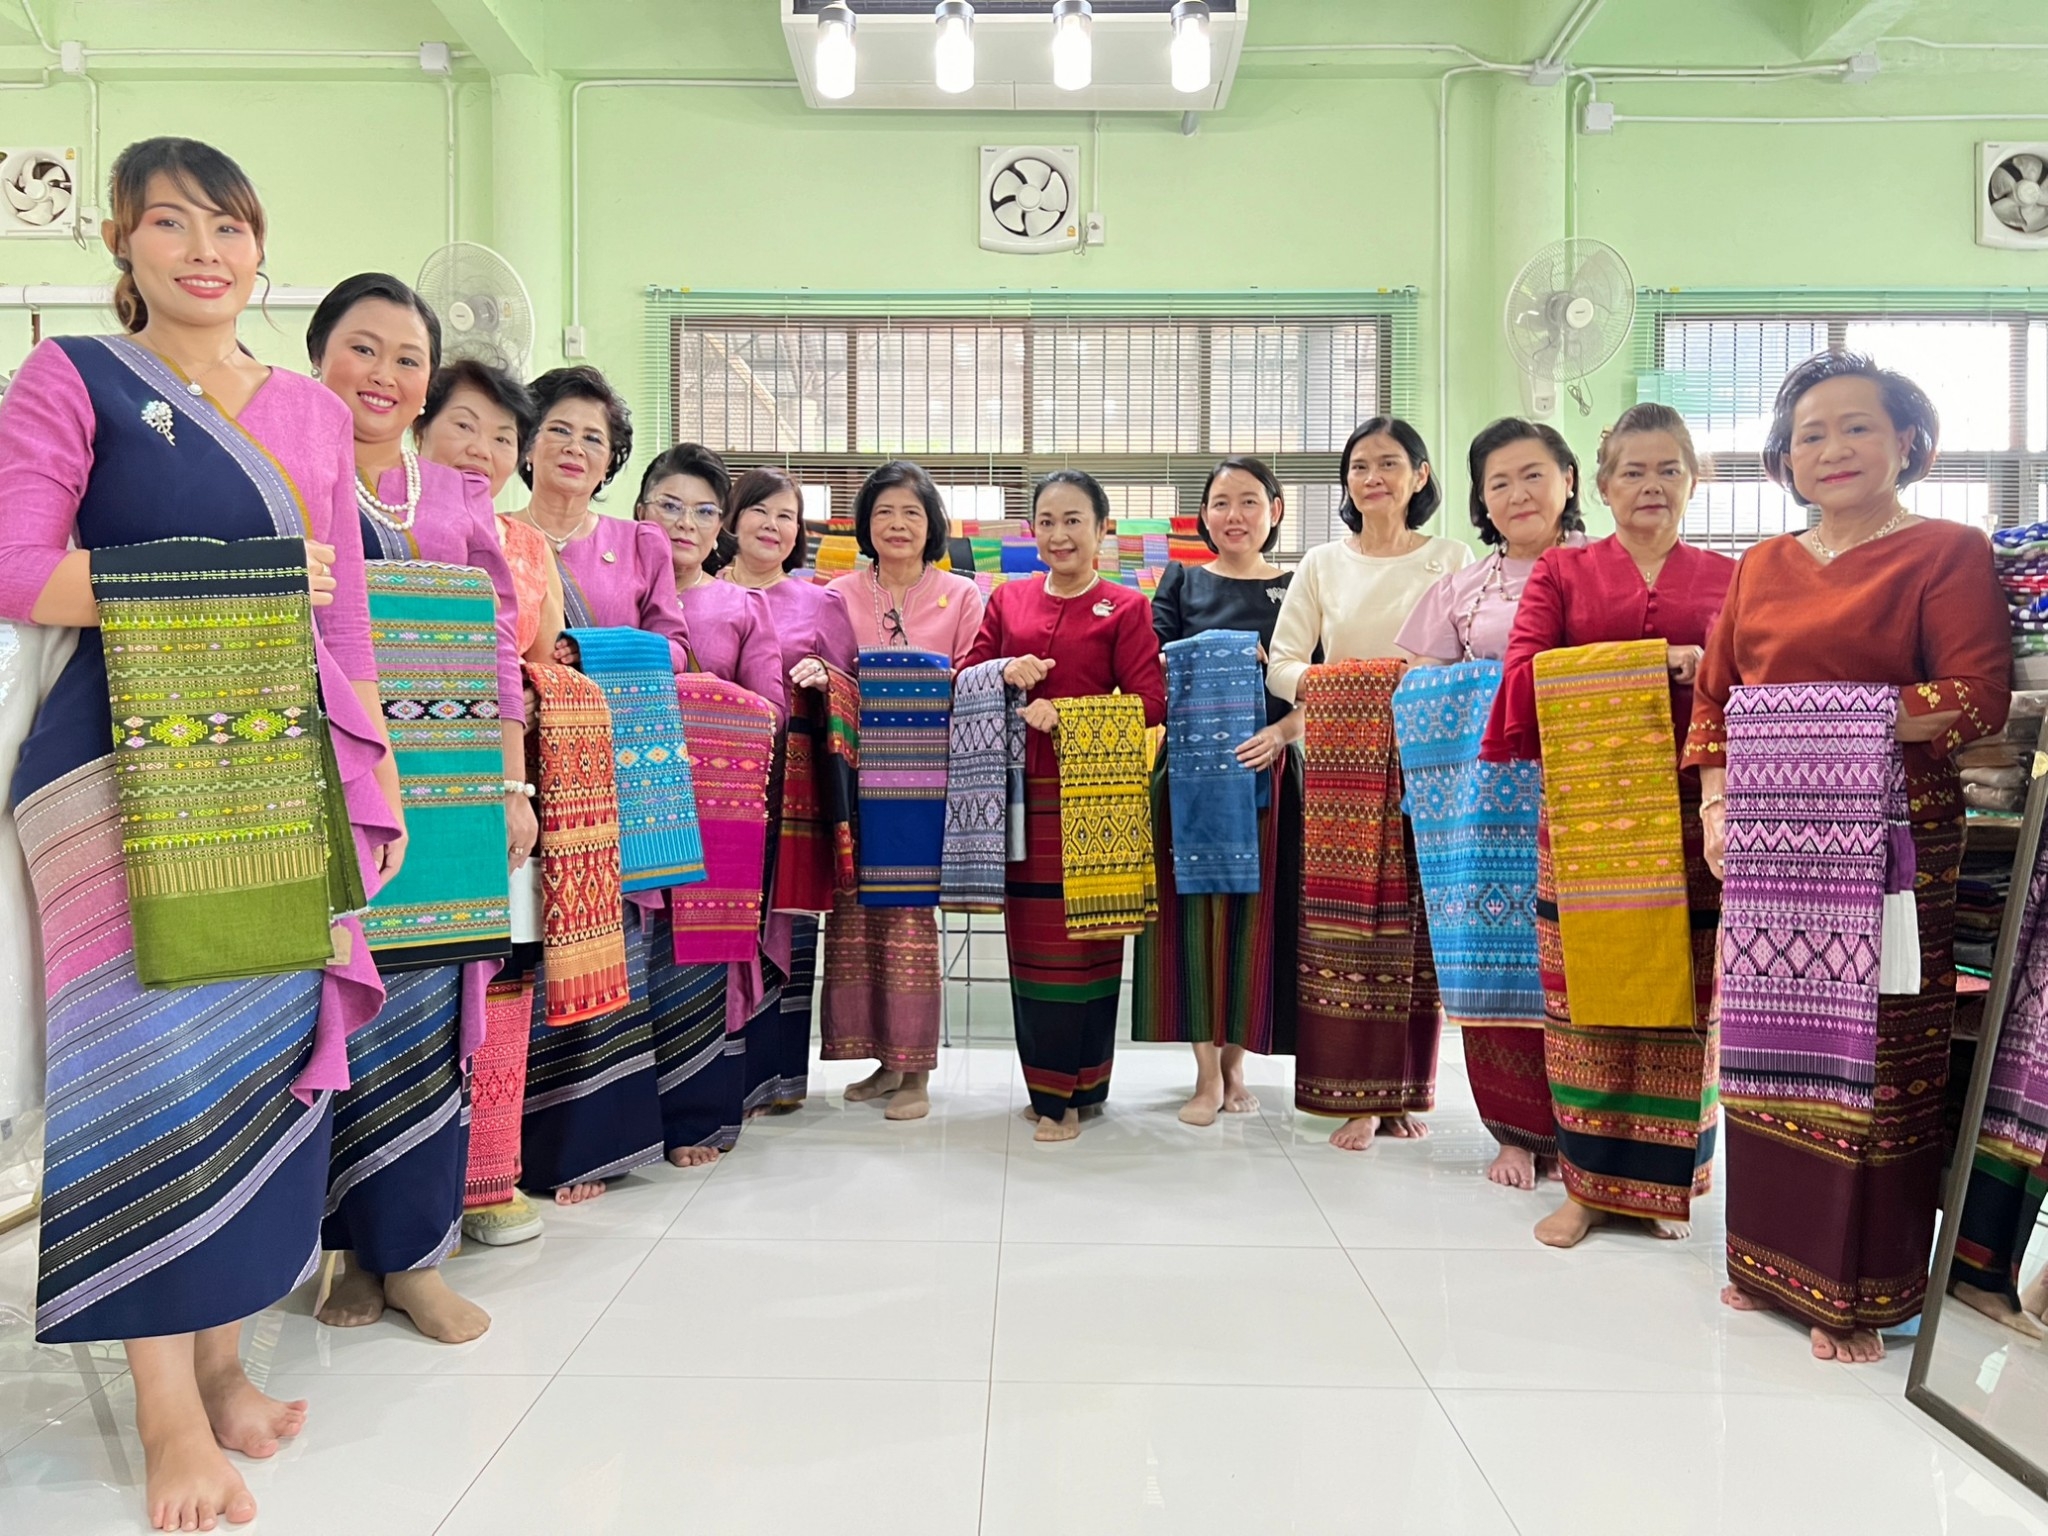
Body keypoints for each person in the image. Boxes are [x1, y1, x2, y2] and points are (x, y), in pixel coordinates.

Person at [0, 136, 404, 1532]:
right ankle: (169, 1417)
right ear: (120, 239)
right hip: (118, 767)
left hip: (277, 765)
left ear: (259, 243)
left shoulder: (302, 407)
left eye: (227, 225)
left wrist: (375, 783)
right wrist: (221, 578)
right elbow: (18, 572)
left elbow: (338, 615)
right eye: (169, 223)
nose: (202, 251)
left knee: (256, 1069)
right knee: (147, 1081)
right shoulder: (71, 381)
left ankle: (227, 1362)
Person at [1688, 353, 2010, 1364]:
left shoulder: (1947, 551)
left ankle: (1858, 1289)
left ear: (1907, 441)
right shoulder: (1758, 566)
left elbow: (1972, 699)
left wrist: (1819, 722)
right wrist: (1710, 800)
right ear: (1783, 457)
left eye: (1855, 428)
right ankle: (1763, 1261)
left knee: (1873, 1054)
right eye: (1809, 434)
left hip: (1889, 839)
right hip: (1767, 832)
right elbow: (1714, 698)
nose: (1830, 449)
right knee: (1770, 1043)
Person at [304, 276, 531, 1344]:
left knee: (433, 1011)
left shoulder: (452, 502)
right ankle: (347, 1251)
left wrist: (511, 778)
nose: (384, 376)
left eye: (406, 359)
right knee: (337, 1000)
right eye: (363, 348)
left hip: (449, 786)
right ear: (319, 358)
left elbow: (493, 647)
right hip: (330, 779)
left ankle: (416, 1256)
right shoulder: (282, 474)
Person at [1482, 407, 1733, 1250]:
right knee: (1583, 1007)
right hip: (1586, 818)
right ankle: (1587, 1189)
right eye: (1632, 471)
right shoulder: (1561, 572)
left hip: (1697, 819)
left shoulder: (1731, 579)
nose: (1650, 487)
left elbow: (1755, 684)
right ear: (1603, 484)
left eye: (1668, 470)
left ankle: (1659, 1188)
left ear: (1694, 480)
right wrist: (1650, 661)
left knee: (1681, 1010)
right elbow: (1522, 679)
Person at [513, 365, 693, 1204]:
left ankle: (592, 1141)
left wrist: (590, 658)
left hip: (609, 778)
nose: (576, 448)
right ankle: (510, 1149)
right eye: (559, 430)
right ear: (527, 440)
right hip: (516, 767)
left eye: (595, 437)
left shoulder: (641, 545)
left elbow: (678, 653)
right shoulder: (493, 533)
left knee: (607, 938)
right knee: (528, 949)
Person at [1267, 417, 1469, 1150]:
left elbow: (1465, 656)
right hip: (1339, 767)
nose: (1373, 477)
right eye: (1359, 466)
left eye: (1390, 463)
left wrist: (1409, 691)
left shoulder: (1451, 558)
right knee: (1349, 925)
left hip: (1428, 757)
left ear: (1420, 475)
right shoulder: (1323, 563)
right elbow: (1283, 665)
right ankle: (1354, 1094)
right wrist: (1359, 687)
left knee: (1416, 927)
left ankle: (1404, 1093)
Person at [1396, 418, 1585, 1189]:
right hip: (1479, 811)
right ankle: (1512, 1130)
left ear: (1569, 479)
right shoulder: (1460, 589)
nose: (1517, 493)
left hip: (1581, 798)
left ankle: (1588, 1134)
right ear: (1479, 497)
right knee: (1492, 959)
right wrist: (1494, 690)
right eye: (1498, 480)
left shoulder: (1604, 573)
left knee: (1579, 964)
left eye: (1533, 474)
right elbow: (1413, 684)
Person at [962, 470, 1166, 1142]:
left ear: (1103, 528)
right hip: (1023, 799)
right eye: (1046, 521)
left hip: (1097, 798)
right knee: (1036, 948)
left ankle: (1085, 1085)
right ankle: (1051, 1093)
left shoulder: (1126, 607)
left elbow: (1151, 704)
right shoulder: (1008, 599)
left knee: (1092, 945)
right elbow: (967, 677)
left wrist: (1068, 717)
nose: (1059, 535)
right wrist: (1004, 673)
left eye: (1074, 520)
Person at [416, 359, 560, 1249]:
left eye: (504, 436)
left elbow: (535, 666)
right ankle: (383, 1217)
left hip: (496, 777)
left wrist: (516, 775)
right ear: (421, 424)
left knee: (502, 972)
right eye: (465, 425)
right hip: (395, 778)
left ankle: (489, 1176)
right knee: (409, 989)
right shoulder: (370, 513)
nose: (484, 449)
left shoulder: (527, 547)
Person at [1133, 456, 1300, 1125]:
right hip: (1191, 775)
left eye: (1250, 502)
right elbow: (1152, 670)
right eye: (1221, 503)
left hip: (1267, 771)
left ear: (1275, 511)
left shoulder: (1296, 586)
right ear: (1204, 515)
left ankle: (1237, 1066)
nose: (1235, 516)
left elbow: (1313, 682)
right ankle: (1204, 1074)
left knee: (1254, 923)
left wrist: (1284, 732)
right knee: (1192, 921)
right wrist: (1226, 654)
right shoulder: (1180, 582)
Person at [631, 443, 783, 1162]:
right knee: (623, 953)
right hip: (619, 802)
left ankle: (694, 1116)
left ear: (719, 527)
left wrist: (696, 704)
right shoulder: (610, 586)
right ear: (640, 509)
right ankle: (618, 1120)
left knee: (694, 959)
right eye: (669, 505)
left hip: (710, 812)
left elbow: (771, 708)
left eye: (702, 512)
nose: (684, 524)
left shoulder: (740, 605)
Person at [820, 460, 985, 1121]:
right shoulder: (836, 593)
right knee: (857, 915)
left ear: (932, 524)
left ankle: (916, 1072)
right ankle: (883, 1061)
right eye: (885, 511)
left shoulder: (963, 594)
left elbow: (973, 677)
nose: (897, 524)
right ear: (866, 522)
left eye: (911, 513)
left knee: (911, 921)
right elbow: (827, 669)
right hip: (855, 775)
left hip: (926, 780)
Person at [721, 466, 858, 1116]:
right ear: (732, 517)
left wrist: (826, 679)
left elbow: (855, 702)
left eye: (786, 516)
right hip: (711, 797)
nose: (772, 526)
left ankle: (775, 1080)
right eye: (760, 512)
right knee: (715, 932)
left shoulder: (820, 603)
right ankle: (712, 1072)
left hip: (788, 799)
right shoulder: (699, 594)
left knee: (783, 926)